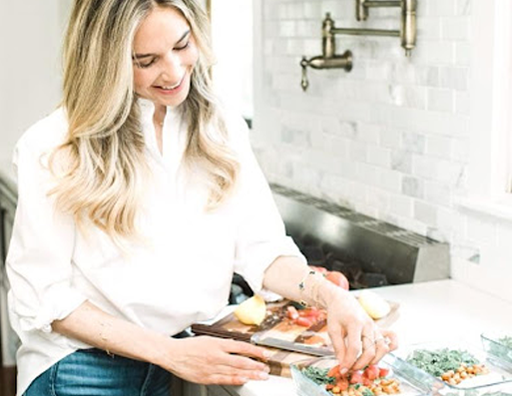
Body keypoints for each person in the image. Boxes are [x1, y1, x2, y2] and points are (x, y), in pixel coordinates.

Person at [6, 0, 397, 395]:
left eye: (182, 45)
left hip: (160, 363)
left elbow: (263, 249)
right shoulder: (55, 146)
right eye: (146, 60)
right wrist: (172, 354)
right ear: (106, 63)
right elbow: (42, 294)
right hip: (78, 368)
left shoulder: (219, 127)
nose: (174, 71)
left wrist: (331, 298)